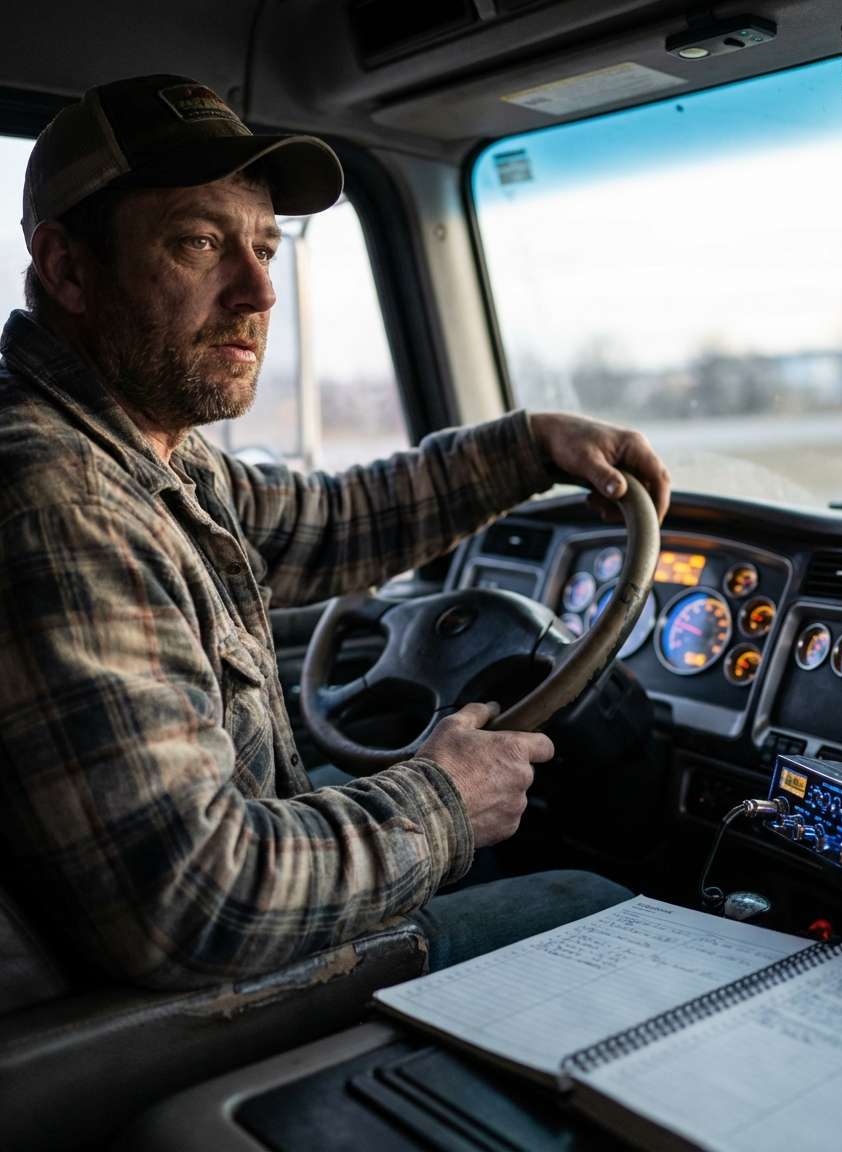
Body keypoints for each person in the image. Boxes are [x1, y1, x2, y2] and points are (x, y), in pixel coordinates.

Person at [0, 75, 671, 991]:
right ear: (68, 267)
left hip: (186, 961)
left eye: (266, 246)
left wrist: (527, 447)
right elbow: (191, 903)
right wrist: (446, 801)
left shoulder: (137, 449)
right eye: (199, 243)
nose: (259, 291)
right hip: (155, 1025)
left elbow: (321, 524)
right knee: (593, 903)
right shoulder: (61, 498)